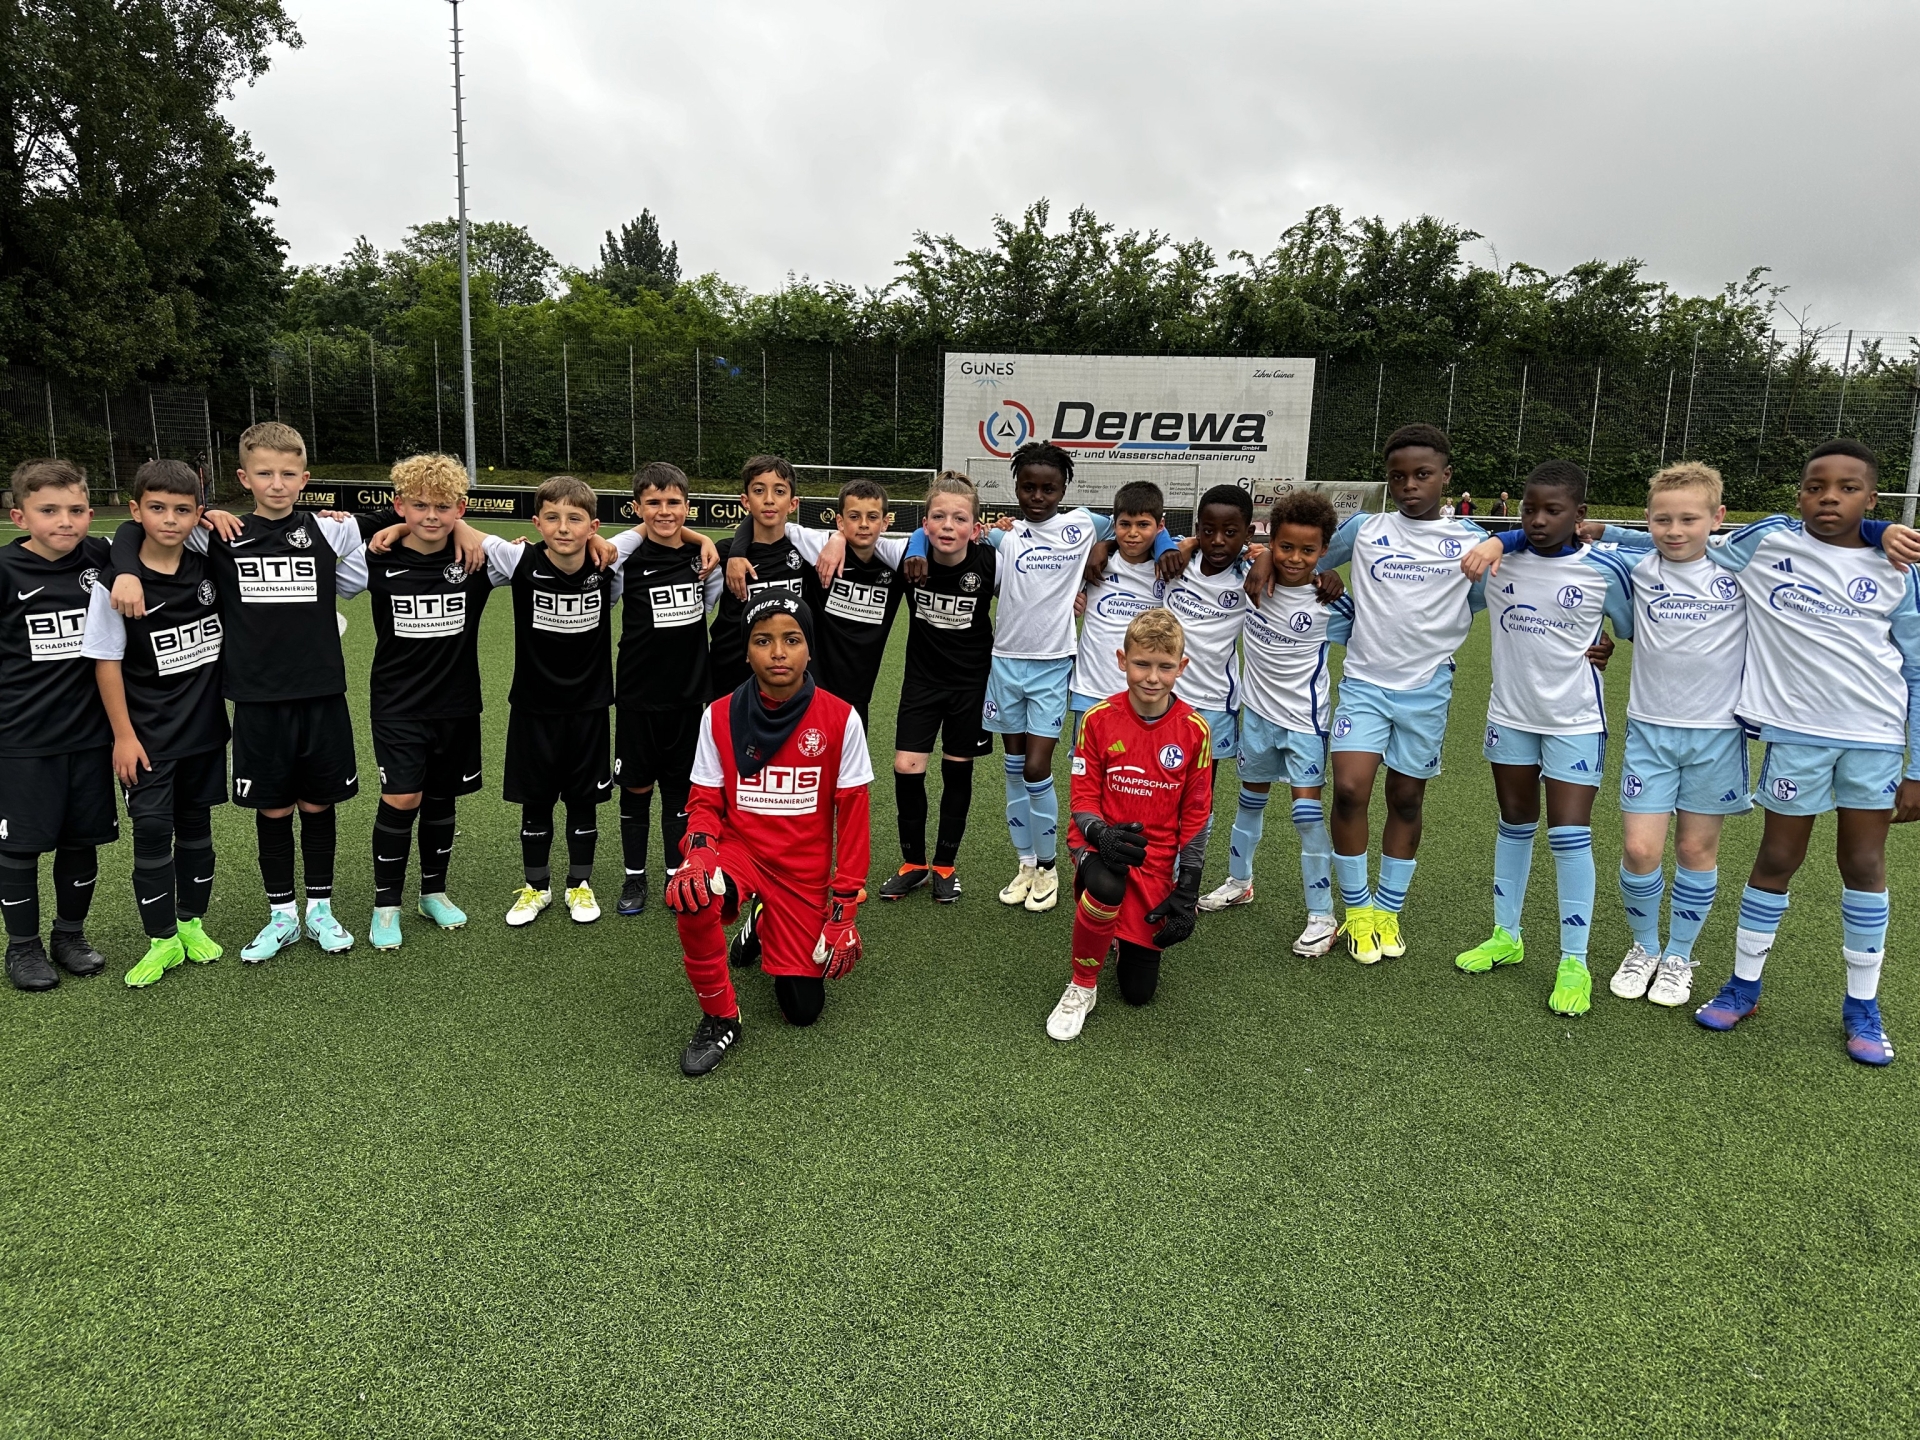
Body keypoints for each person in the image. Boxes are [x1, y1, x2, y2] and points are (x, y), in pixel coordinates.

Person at [1464, 459, 1919, 1011]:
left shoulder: (1744, 567)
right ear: (1648, 521)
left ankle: (1679, 955)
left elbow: (1801, 529)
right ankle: (1644, 947)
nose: (1674, 530)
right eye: (1662, 520)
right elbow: (1566, 542)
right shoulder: (1636, 566)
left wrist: (1876, 530)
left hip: (1718, 734)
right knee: (1639, 850)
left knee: (1695, 849)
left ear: (1718, 519)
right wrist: (1509, 539)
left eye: (1688, 520)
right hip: (1649, 730)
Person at [106, 422, 448, 962]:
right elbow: (133, 530)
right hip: (257, 700)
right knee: (273, 808)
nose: (277, 483)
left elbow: (419, 518)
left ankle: (321, 909)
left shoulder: (328, 530)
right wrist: (127, 570)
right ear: (244, 478)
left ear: (305, 479)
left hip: (321, 695)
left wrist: (461, 531)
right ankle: (281, 914)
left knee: (318, 803)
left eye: (289, 474)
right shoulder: (218, 534)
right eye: (264, 473)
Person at [1246, 424, 1487, 964]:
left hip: (1428, 687)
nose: (1409, 486)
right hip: (1364, 683)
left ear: (1446, 477)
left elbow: (1483, 600)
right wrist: (1263, 558)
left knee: (1406, 798)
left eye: (1423, 475)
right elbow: (1303, 556)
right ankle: (1356, 912)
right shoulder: (1367, 528)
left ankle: (1388, 912)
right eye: (1398, 476)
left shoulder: (1472, 540)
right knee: (1351, 790)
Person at [901, 442, 1175, 913]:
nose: (1038, 496)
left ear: (1063, 489)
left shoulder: (1083, 524)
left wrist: (1113, 546)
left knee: (1036, 768)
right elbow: (936, 529)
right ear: (1016, 488)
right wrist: (915, 544)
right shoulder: (1003, 536)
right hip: (1004, 664)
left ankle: (1049, 866)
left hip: (1052, 665)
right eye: (1028, 487)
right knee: (1012, 769)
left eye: (1049, 488)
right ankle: (1026, 864)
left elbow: (1137, 525)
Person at [1452, 461, 1634, 1016]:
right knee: (1514, 824)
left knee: (1569, 834)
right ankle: (1506, 936)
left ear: (1579, 514)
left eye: (1553, 510)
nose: (1537, 519)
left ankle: (1574, 961)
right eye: (1529, 509)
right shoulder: (1499, 563)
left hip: (1575, 720)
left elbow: (1632, 624)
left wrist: (1607, 643)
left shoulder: (1604, 568)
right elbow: (1457, 598)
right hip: (1510, 714)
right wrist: (1500, 540)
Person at [667, 594, 873, 1077]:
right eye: (763, 641)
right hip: (740, 854)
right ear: (746, 652)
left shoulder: (842, 718)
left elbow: (855, 821)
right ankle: (721, 1016)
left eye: (791, 640)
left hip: (803, 871)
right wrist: (699, 854)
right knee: (693, 897)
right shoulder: (718, 714)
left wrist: (843, 910)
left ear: (809, 649)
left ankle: (760, 921)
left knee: (802, 1010)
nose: (778, 652)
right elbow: (703, 802)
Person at [356, 454, 532, 949]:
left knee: (440, 797)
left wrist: (470, 533)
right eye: (419, 506)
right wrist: (398, 530)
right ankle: (386, 905)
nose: (430, 516)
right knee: (401, 797)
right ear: (399, 507)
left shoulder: (476, 559)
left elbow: (540, 559)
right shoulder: (376, 557)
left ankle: (433, 892)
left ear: (460, 508)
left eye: (443, 507)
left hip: (456, 703)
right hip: (397, 703)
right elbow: (331, 547)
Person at [84, 460, 227, 986]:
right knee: (151, 831)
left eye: (182, 510)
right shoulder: (118, 583)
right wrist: (123, 736)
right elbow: (106, 661)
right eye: (157, 508)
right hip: (147, 737)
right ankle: (161, 939)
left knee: (196, 829)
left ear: (198, 514)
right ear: (136, 510)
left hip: (204, 731)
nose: (170, 519)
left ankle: (190, 924)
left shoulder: (206, 565)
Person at [1045, 608, 1214, 1042]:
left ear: (1182, 666)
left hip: (1154, 859)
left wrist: (1188, 888)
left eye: (1165, 666)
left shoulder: (1195, 730)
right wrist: (1100, 834)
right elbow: (1083, 799)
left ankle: (1120, 937)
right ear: (1122, 661)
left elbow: (1197, 815)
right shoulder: (1098, 719)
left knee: (1139, 993)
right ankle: (1082, 985)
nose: (1152, 677)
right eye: (1142, 664)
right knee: (1107, 884)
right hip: (1098, 841)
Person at [1198, 492, 1354, 960]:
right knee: (1249, 801)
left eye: (1308, 550)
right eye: (1285, 547)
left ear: (1324, 550)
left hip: (1304, 723)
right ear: (1271, 542)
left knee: (1306, 814)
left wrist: (1333, 579)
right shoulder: (1252, 577)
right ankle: (1239, 881)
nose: (1295, 558)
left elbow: (1371, 641)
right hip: (1257, 717)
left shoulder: (1330, 602)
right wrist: (1261, 557)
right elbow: (1213, 549)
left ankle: (1322, 917)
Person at [499, 476, 637, 927]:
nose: (563, 528)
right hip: (533, 708)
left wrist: (702, 539)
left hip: (589, 708)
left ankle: (580, 884)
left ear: (593, 526)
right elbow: (461, 530)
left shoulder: (607, 565)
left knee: (583, 801)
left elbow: (648, 529)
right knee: (536, 802)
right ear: (536, 523)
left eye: (575, 519)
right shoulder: (519, 560)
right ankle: (536, 887)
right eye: (552, 518)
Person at [0, 459, 116, 991]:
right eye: (48, 511)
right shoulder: (6, 571)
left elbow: (141, 536)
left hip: (91, 735)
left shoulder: (100, 557)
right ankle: (22, 947)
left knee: (80, 840)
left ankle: (69, 936)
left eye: (76, 510)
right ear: (19, 516)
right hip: (23, 737)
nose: (64, 521)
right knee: (20, 846)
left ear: (90, 513)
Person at [880, 472, 996, 903]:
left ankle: (945, 864)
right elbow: (855, 537)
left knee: (956, 770)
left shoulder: (990, 563)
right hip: (921, 683)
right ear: (924, 523)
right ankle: (913, 864)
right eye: (939, 517)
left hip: (970, 686)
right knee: (906, 768)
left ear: (975, 528)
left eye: (959, 519)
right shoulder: (908, 556)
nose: (949, 526)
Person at [614, 461, 723, 916]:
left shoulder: (704, 562)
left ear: (688, 506)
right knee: (636, 788)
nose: (664, 511)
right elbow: (608, 557)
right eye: (653, 503)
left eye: (673, 502)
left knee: (681, 790)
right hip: (638, 696)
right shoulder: (626, 560)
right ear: (637, 507)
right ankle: (634, 877)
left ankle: (677, 873)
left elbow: (710, 604)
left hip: (689, 697)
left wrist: (702, 542)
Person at [727, 477, 907, 727]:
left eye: (873, 517)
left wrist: (839, 537)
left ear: (885, 522)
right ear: (840, 521)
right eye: (854, 516)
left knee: (848, 749)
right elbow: (768, 517)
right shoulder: (819, 547)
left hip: (858, 688)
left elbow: (929, 538)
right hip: (810, 684)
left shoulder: (898, 560)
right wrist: (736, 552)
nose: (864, 524)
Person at [706, 455, 822, 701]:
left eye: (779, 491)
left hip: (785, 672)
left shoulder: (806, 552)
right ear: (746, 501)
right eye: (759, 491)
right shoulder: (724, 553)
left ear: (793, 503)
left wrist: (839, 540)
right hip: (730, 671)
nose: (769, 499)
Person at [1068, 481, 1169, 732]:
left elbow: (1206, 545)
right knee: (1087, 757)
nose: (1133, 533)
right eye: (1125, 524)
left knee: (1139, 757)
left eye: (1143, 525)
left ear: (1160, 526)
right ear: (1114, 525)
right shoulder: (1094, 562)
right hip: (1091, 689)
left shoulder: (1168, 566)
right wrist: (1105, 544)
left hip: (1144, 693)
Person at [1165, 483, 1256, 762]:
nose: (1217, 540)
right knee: (1160, 771)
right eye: (1208, 531)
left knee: (1204, 778)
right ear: (1197, 530)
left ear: (1248, 533)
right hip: (1166, 691)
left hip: (1215, 697)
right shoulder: (1176, 557)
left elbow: (1297, 565)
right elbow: (1142, 536)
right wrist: (1105, 545)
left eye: (1230, 532)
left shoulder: (1249, 573)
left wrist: (1263, 556)